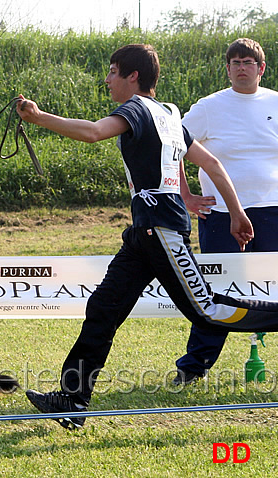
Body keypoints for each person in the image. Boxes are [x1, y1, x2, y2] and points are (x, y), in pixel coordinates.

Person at [16, 44, 278, 430]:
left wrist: (38, 118)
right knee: (103, 309)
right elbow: (212, 164)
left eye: (112, 72)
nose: (107, 80)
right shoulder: (170, 112)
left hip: (162, 231)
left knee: (208, 311)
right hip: (143, 234)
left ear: (132, 76)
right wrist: (236, 212)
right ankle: (73, 400)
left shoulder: (137, 109)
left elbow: (93, 133)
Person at [173, 38, 278, 385]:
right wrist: (186, 195)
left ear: (261, 68)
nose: (242, 67)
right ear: (228, 68)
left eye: (249, 62)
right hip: (220, 215)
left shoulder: (275, 103)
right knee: (217, 291)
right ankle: (193, 368)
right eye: (235, 62)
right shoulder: (208, 107)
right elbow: (170, 149)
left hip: (272, 212)